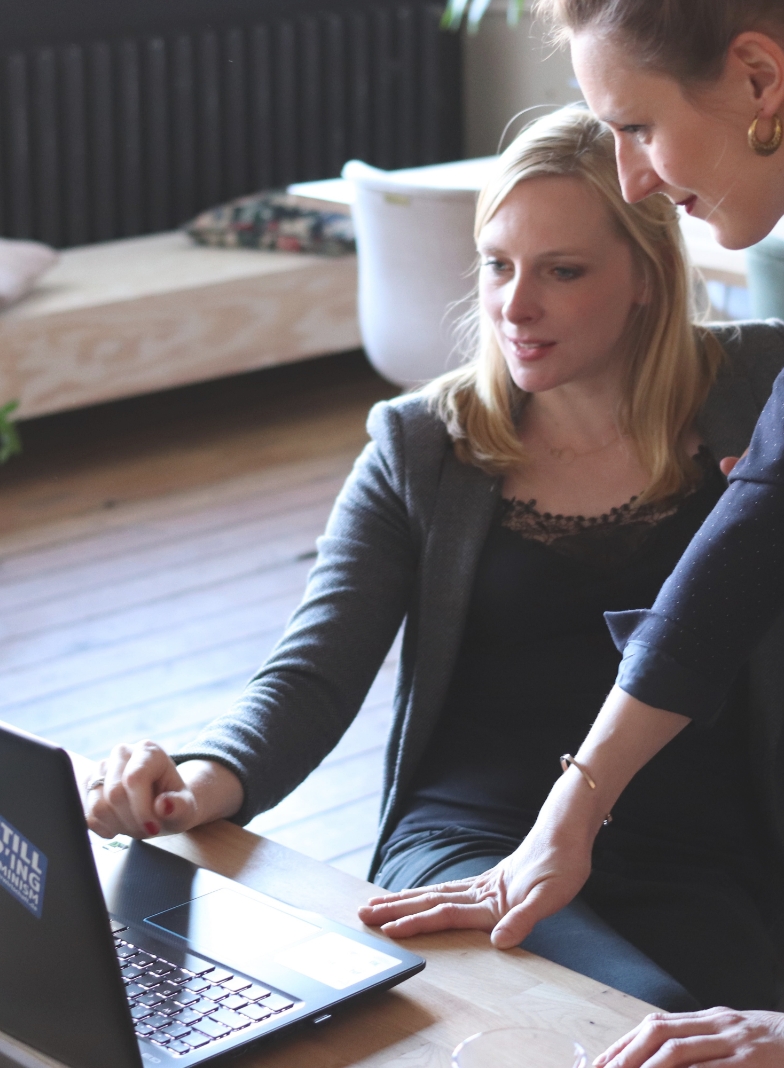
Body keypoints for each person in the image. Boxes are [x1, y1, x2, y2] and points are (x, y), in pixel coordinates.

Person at [85, 107, 784, 1013]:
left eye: (562, 271)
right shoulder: (422, 444)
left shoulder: (761, 389)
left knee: (691, 1023)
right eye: (497, 264)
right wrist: (196, 783)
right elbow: (312, 673)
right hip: (470, 841)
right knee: (625, 1012)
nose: (513, 305)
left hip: (703, 848)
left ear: (648, 277)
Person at [365, 4, 784, 1066]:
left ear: (756, 78)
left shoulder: (741, 373)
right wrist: (573, 810)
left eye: (637, 126)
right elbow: (736, 556)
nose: (635, 179)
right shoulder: (420, 442)